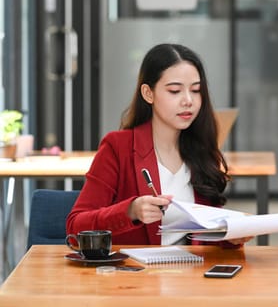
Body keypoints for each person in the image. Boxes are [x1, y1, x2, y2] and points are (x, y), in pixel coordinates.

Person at [67, 43, 250, 247]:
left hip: (193, 274)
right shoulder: (118, 147)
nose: (188, 100)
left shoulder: (202, 151)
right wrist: (131, 211)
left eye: (196, 90)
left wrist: (231, 236)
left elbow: (206, 238)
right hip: (137, 276)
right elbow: (75, 227)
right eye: (174, 91)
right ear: (148, 93)